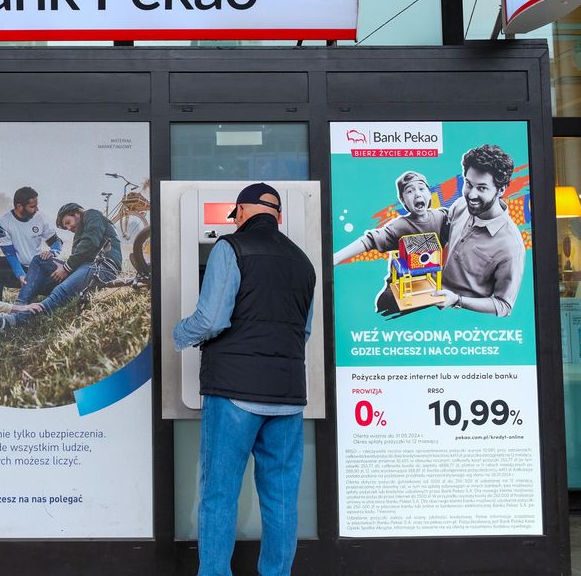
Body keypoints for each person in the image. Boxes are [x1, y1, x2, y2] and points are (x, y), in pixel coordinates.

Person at [172, 183, 316, 576]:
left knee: (219, 495)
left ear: (239, 212)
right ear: (278, 216)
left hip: (234, 393)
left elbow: (211, 319)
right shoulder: (303, 261)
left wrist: (178, 334)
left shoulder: (230, 248)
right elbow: (302, 332)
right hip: (287, 396)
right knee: (281, 498)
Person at [333, 170, 450, 316]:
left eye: (421, 188)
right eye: (410, 191)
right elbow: (370, 240)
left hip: (430, 286)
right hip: (402, 287)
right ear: (403, 200)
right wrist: (336, 258)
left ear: (430, 193)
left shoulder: (442, 216)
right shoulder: (399, 226)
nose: (417, 194)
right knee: (385, 303)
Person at [435, 144, 526, 316]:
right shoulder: (460, 205)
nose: (471, 195)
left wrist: (457, 300)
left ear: (501, 190)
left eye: (482, 188)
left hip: (469, 322)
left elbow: (503, 306)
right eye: (468, 184)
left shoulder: (511, 245)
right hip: (431, 302)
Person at [0, 186, 63, 302]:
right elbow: (10, 254)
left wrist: (52, 252)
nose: (37, 209)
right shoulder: (4, 222)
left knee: (61, 275)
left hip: (39, 268)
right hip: (20, 269)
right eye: (32, 207)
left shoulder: (40, 217)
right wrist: (20, 275)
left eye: (36, 205)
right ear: (19, 206)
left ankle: (44, 292)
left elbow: (56, 242)